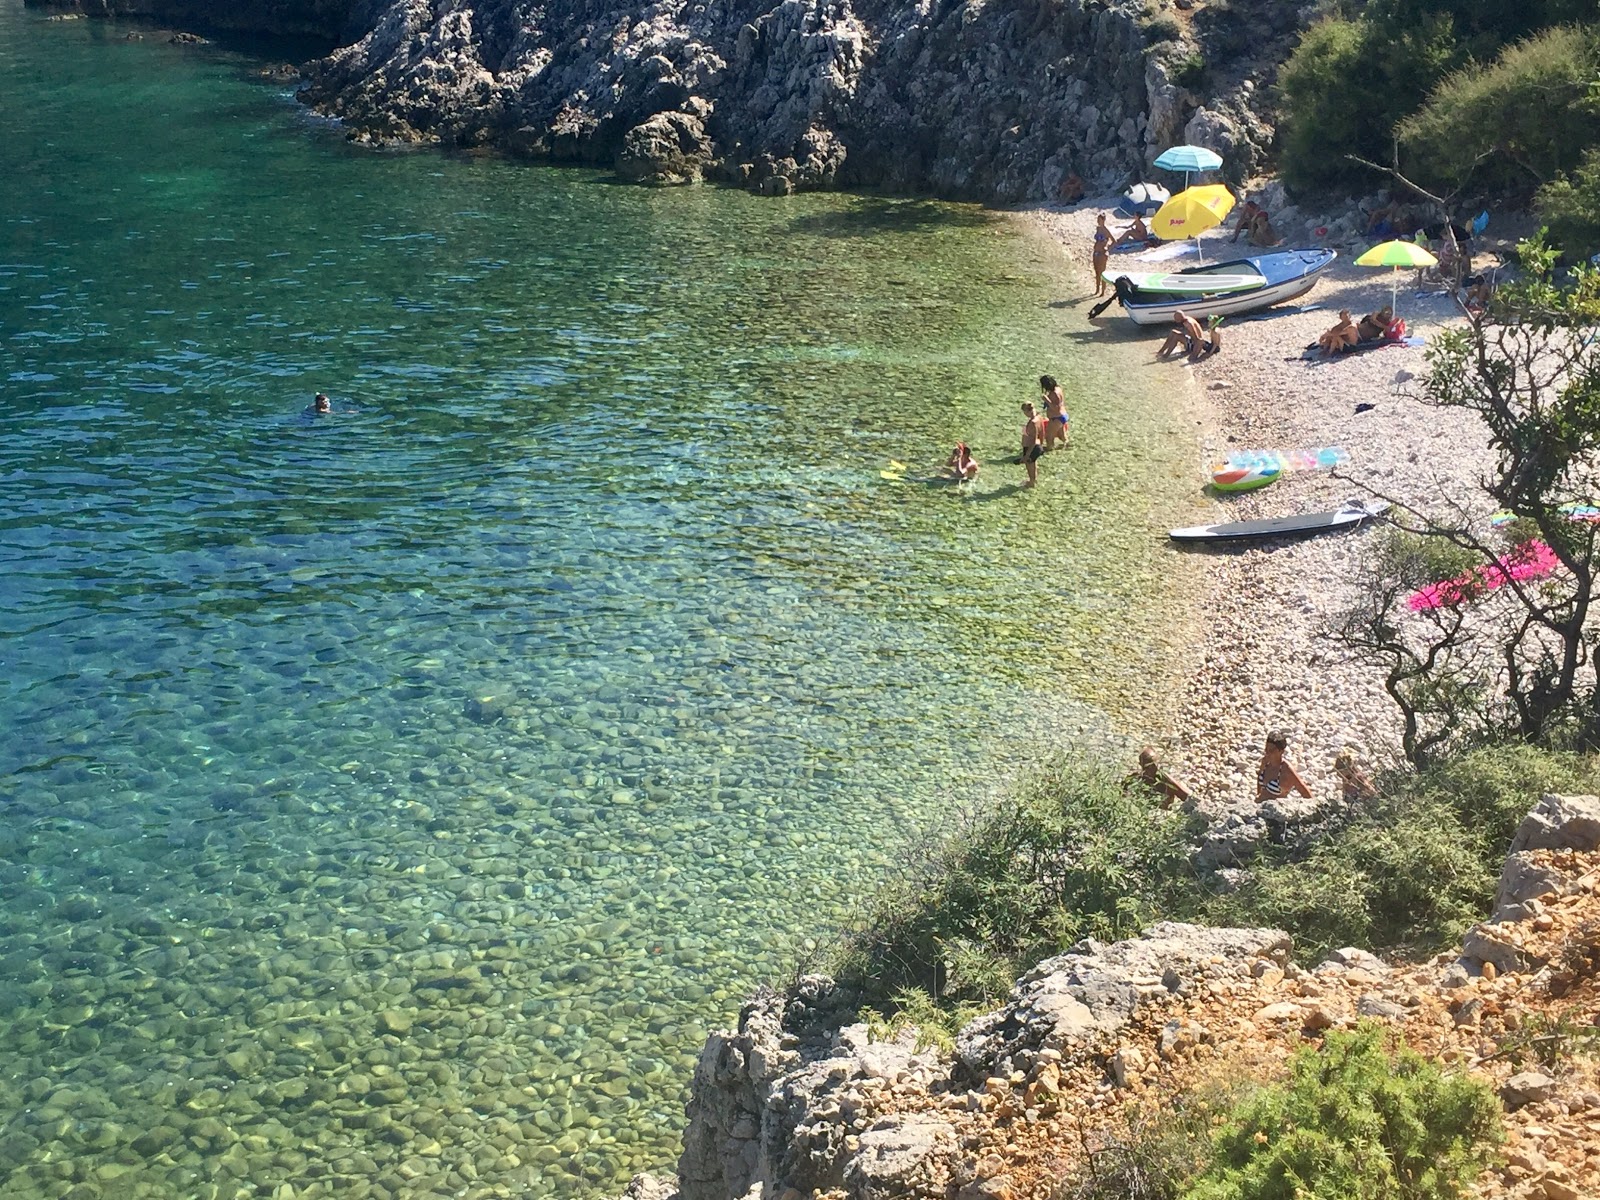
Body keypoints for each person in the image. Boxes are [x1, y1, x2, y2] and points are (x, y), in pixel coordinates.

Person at [1256, 730, 1312, 805]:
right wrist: (1258, 795)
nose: (1267, 753)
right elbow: (1260, 780)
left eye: (1271, 750)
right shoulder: (1265, 762)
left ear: (1281, 751)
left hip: (1274, 811)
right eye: (1266, 749)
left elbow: (1306, 793)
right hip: (1259, 806)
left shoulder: (1286, 770)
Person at [1040, 375, 1071, 450]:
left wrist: (1046, 400)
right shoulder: (1058, 389)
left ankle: (1049, 450)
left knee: (1049, 437)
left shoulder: (1054, 394)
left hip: (1056, 418)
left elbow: (1056, 408)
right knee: (1062, 436)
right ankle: (1067, 448)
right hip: (1062, 416)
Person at [1019, 402, 1044, 488]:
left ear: (1027, 411)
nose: (1024, 414)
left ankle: (1031, 482)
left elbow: (1032, 441)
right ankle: (1034, 479)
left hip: (1031, 447)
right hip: (1037, 445)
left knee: (1029, 465)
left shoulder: (1033, 423)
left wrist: (1027, 455)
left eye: (1024, 412)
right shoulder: (1039, 417)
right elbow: (1042, 432)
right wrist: (1041, 443)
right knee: (1033, 463)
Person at [1092, 215, 1112, 297]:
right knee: (1097, 272)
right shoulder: (1098, 229)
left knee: (1102, 273)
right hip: (1096, 252)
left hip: (1102, 254)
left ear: (1103, 220)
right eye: (1097, 219)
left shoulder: (1106, 231)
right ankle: (1097, 289)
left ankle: (1103, 291)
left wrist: (1107, 248)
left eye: (1099, 220)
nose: (1098, 221)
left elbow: (1114, 241)